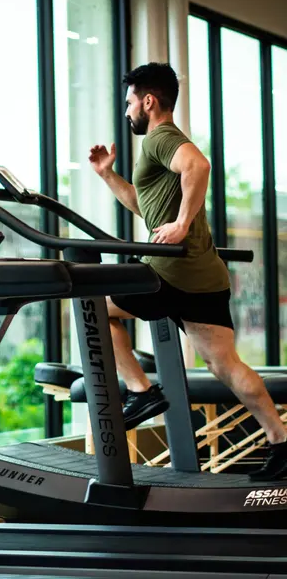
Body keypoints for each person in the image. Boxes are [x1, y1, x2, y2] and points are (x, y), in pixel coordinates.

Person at [89, 62, 287, 481]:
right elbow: (146, 206)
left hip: (169, 270)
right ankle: (281, 441)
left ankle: (142, 392)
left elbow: (199, 166)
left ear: (148, 101)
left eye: (130, 103)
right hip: (203, 275)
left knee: (94, 307)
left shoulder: (161, 136)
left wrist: (180, 225)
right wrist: (108, 175)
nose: (127, 113)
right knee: (225, 365)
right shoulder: (161, 146)